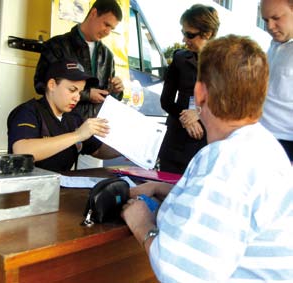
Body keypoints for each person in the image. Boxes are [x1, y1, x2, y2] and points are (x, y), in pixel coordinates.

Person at [121, 35, 293, 282]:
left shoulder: (227, 159)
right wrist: (166, 189)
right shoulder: (264, 147)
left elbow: (182, 273)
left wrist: (141, 224)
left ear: (200, 92)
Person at [34, 0, 125, 169]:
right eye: (106, 24)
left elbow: (107, 96)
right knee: (57, 183)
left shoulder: (107, 55)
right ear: (93, 13)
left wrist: (116, 90)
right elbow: (40, 84)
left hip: (94, 134)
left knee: (88, 186)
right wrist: (85, 94)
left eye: (112, 28)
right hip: (60, 130)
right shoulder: (57, 45)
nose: (107, 31)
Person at [7, 58, 120, 172]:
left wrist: (126, 149)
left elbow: (98, 150)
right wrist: (77, 135)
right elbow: (22, 151)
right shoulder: (27, 112)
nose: (77, 98)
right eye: (72, 90)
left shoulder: (73, 118)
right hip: (29, 186)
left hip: (62, 186)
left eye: (80, 92)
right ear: (52, 85)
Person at [158, 4, 219, 174]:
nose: (185, 39)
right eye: (183, 33)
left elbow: (231, 106)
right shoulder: (179, 59)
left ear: (208, 34)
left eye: (189, 34)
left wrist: (199, 114)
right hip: (175, 141)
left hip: (206, 143)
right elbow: (166, 101)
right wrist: (186, 118)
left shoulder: (226, 64)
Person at [259, 0, 293, 161]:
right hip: (260, 139)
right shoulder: (274, 46)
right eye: (265, 20)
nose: (270, 26)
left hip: (286, 146)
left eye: (276, 18)